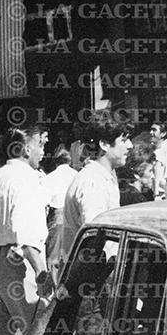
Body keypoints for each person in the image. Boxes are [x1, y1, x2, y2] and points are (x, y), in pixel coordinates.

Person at [0, 127, 53, 335]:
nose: (43, 152)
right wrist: (41, 272)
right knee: (40, 333)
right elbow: (25, 230)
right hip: (20, 260)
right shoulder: (27, 178)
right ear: (26, 149)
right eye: (40, 145)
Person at [54, 113, 133, 273]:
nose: (130, 145)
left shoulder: (104, 176)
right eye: (124, 140)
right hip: (90, 276)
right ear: (104, 144)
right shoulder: (93, 182)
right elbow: (95, 238)